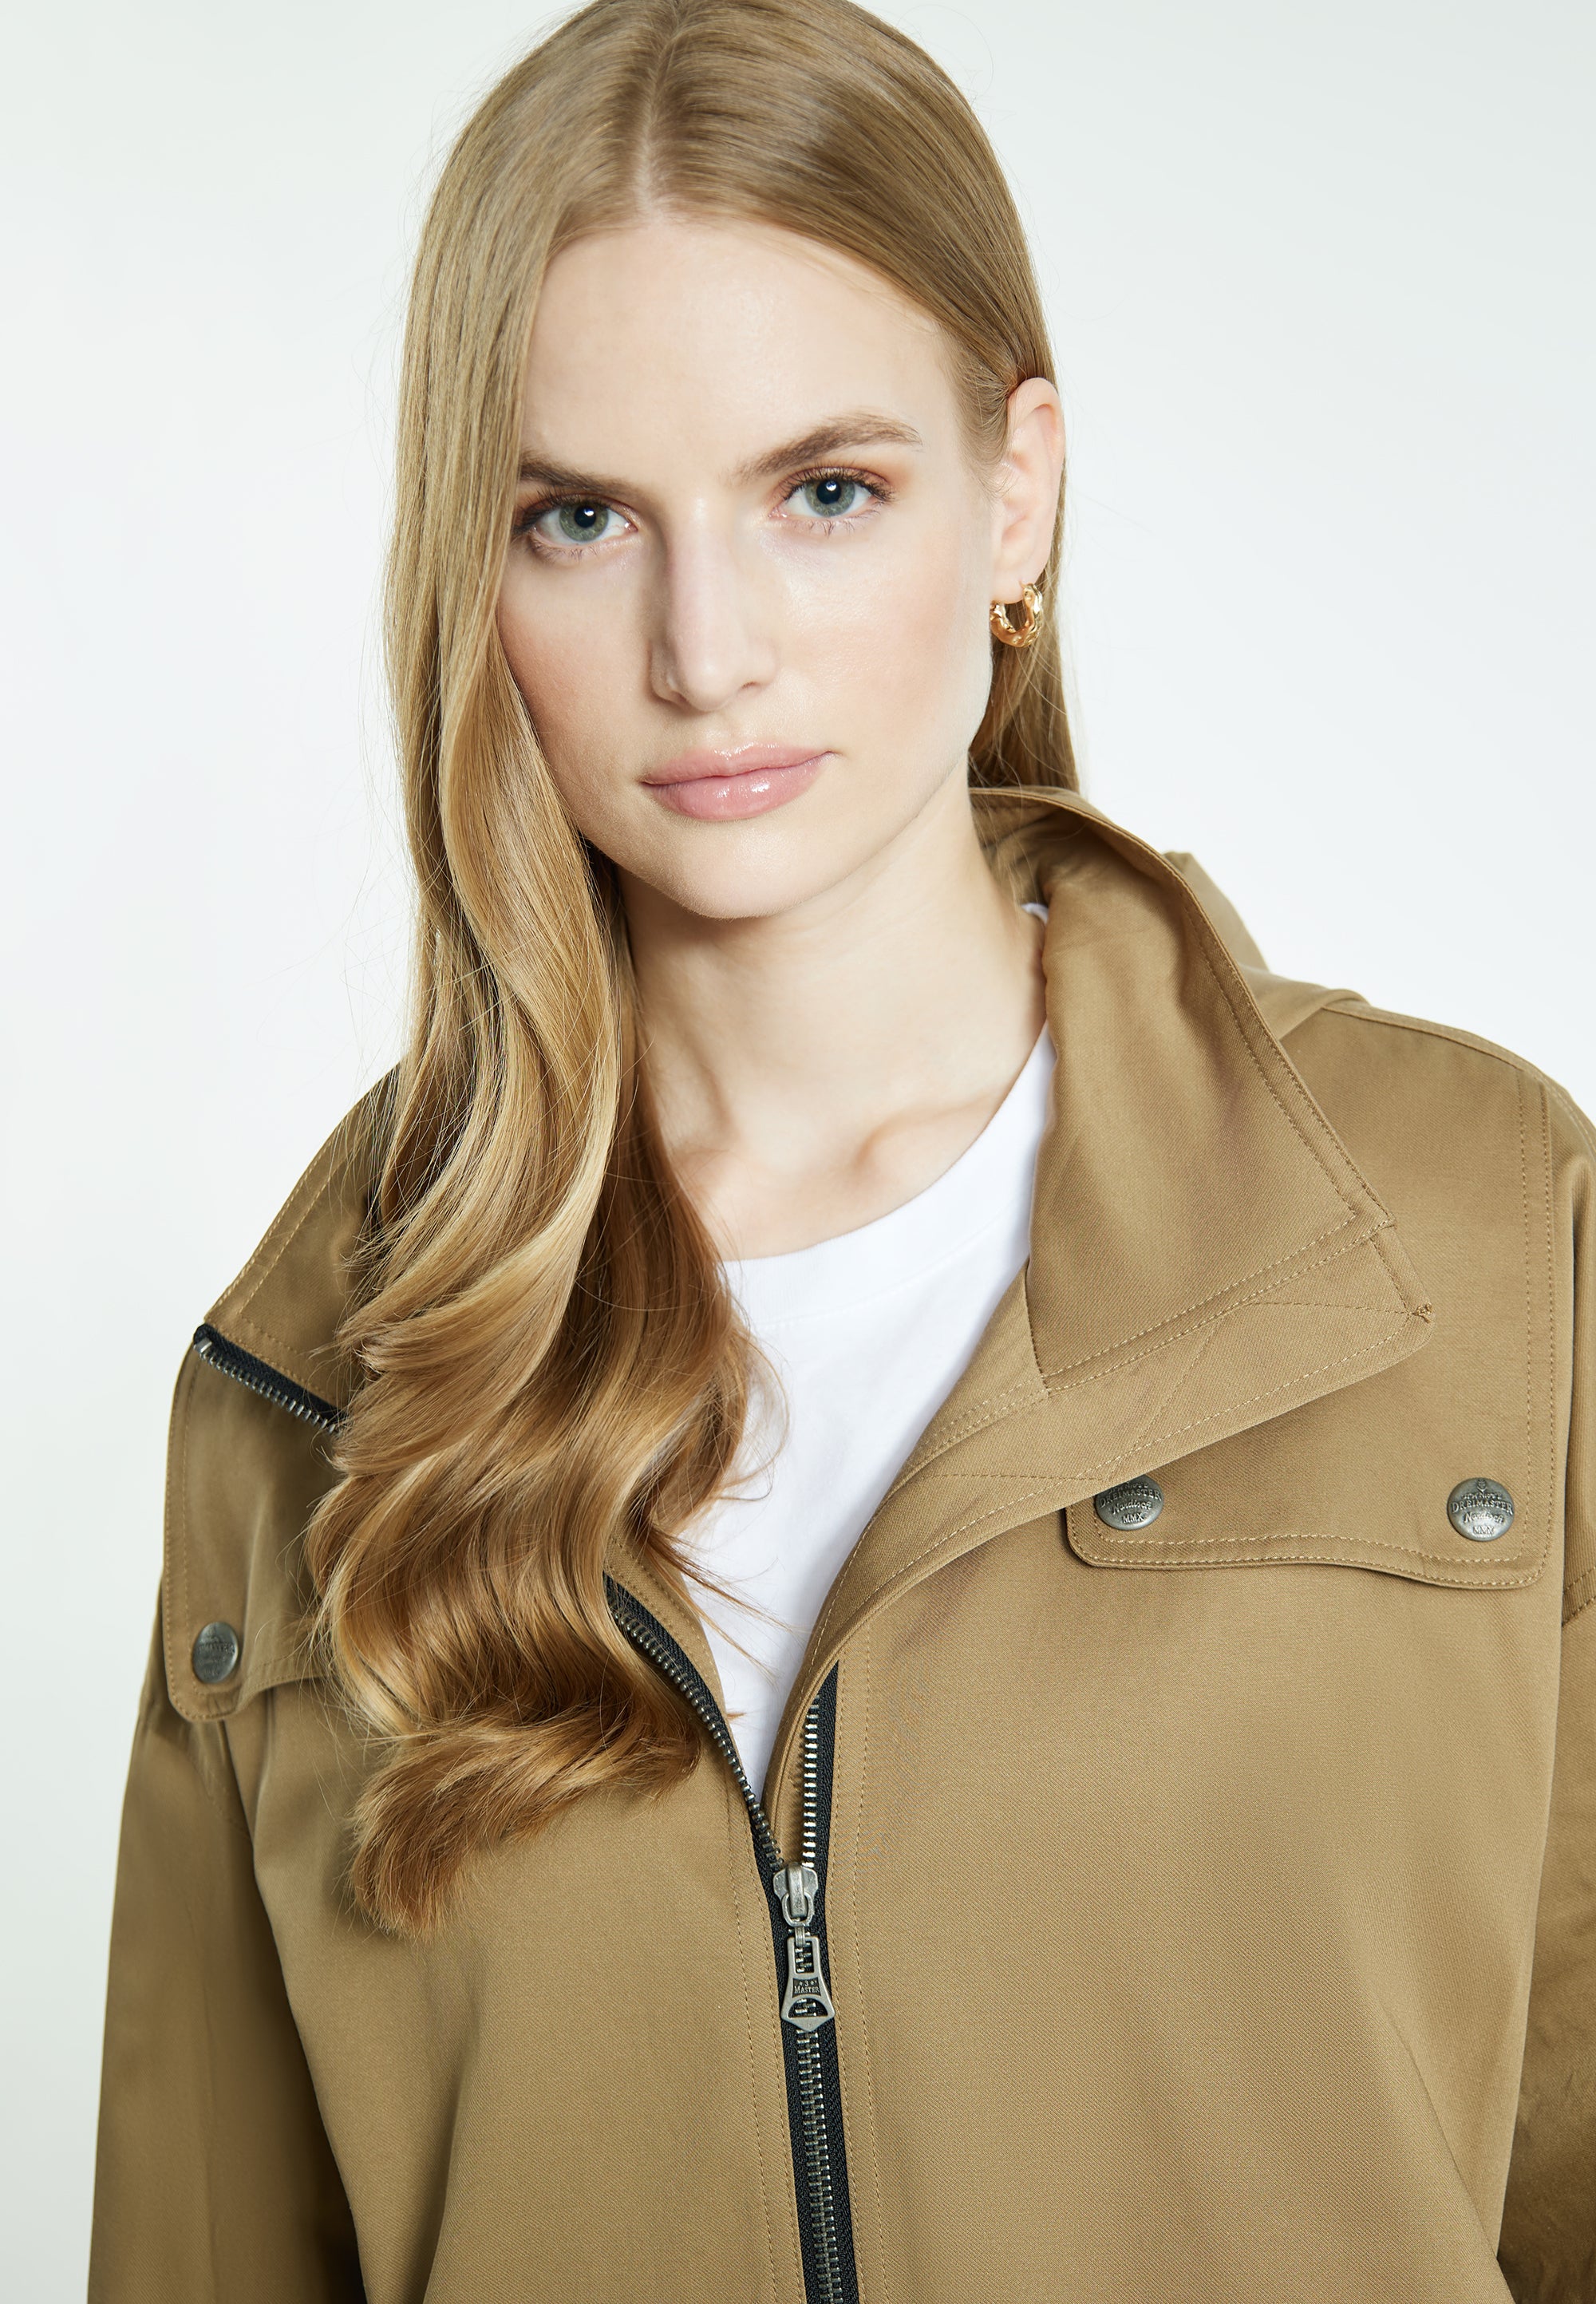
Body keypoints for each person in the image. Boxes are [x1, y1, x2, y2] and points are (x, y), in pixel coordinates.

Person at [88, 2, 1594, 2298]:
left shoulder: (1472, 1224)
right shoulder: (305, 1383)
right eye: (580, 519)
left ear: (1018, 494)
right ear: (473, 571)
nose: (707, 651)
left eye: (824, 493)